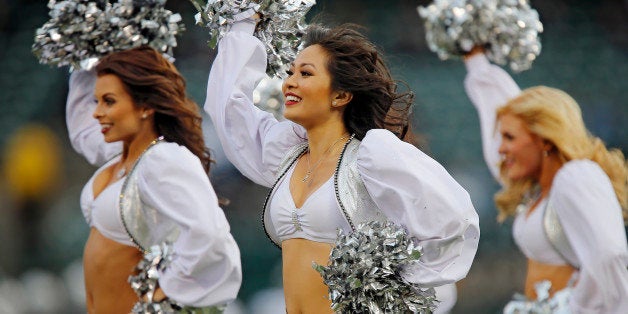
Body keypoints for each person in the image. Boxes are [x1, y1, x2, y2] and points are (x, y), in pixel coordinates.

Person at [204, 14, 480, 313]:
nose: (288, 83)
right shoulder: (285, 157)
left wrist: (393, 293)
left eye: (305, 74)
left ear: (341, 95)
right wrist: (240, 24)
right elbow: (230, 113)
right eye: (289, 72)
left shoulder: (371, 154)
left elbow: (453, 222)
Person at [65, 46, 242, 313]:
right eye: (96, 101)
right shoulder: (117, 156)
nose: (97, 112)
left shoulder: (164, 159)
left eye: (109, 101)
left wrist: (165, 293)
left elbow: (209, 235)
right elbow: (82, 132)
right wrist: (86, 53)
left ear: (145, 106)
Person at [464, 48, 628, 313]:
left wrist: (575, 309)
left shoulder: (576, 176)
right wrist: (475, 61)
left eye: (509, 138)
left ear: (543, 138)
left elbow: (609, 255)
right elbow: (503, 116)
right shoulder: (537, 190)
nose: (501, 149)